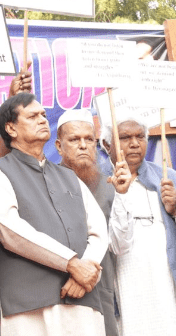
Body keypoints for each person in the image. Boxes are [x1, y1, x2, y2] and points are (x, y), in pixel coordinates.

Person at [0, 93, 120, 336]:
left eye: (44, 115)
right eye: (32, 116)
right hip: (28, 308)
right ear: (11, 128)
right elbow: (9, 229)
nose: (42, 120)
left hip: (81, 299)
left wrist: (85, 269)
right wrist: (71, 264)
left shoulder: (69, 176)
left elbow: (99, 230)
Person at [101, 113, 176, 336]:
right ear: (107, 144)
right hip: (124, 287)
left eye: (140, 136)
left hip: (168, 288)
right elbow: (114, 245)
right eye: (125, 137)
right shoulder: (98, 182)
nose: (135, 143)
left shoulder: (168, 177)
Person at [55, 109, 119, 336]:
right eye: (74, 139)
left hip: (105, 286)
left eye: (88, 139)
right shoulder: (47, 182)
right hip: (64, 287)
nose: (83, 145)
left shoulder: (111, 186)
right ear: (59, 146)